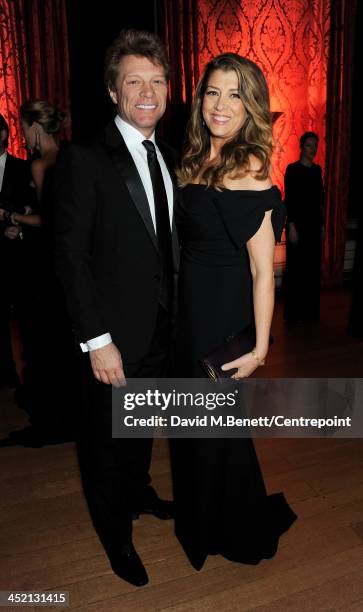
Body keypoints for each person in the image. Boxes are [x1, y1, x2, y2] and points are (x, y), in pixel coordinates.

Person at [53, 29, 179, 587]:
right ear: (113, 90)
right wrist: (96, 340)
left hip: (164, 331)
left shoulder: (173, 158)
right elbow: (69, 256)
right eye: (134, 82)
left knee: (143, 427)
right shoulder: (84, 158)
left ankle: (139, 492)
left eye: (156, 81)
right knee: (105, 445)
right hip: (113, 338)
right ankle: (115, 537)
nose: (147, 92)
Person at [172, 52, 297, 570]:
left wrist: (261, 348)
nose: (221, 104)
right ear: (201, 98)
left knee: (216, 428)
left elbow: (264, 271)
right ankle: (207, 517)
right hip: (190, 308)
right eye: (213, 92)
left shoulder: (247, 167)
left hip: (220, 316)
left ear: (252, 107)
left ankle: (231, 525)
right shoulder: (195, 156)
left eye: (235, 94)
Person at [0, 100, 78, 448]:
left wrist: (13, 218)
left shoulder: (39, 164)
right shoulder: (73, 157)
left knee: (41, 341)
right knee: (61, 342)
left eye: (23, 127)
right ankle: (65, 417)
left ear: (33, 128)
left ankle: (49, 423)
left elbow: (49, 222)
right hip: (69, 265)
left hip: (46, 267)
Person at [0, 113, 34, 390]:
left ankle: (30, 381)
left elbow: (40, 212)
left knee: (26, 321)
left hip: (20, 258)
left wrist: (18, 228)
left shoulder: (24, 169)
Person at [283, 132, 324, 324]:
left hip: (314, 225)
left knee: (311, 270)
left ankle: (310, 314)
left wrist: (322, 224)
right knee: (296, 270)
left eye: (315, 145)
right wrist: (291, 225)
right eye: (309, 145)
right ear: (301, 147)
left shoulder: (317, 171)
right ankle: (294, 316)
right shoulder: (292, 170)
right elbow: (289, 199)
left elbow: (319, 201)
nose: (313, 149)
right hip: (297, 226)